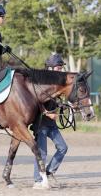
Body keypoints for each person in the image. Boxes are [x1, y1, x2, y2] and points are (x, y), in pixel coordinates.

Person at [32, 53, 68, 189]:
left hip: (51, 124)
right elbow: (35, 102)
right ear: (51, 68)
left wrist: (61, 106)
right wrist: (48, 113)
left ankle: (49, 171)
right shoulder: (42, 83)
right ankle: (37, 180)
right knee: (42, 153)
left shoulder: (56, 84)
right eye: (58, 68)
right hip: (41, 124)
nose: (60, 70)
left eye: (61, 68)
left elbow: (53, 101)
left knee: (63, 147)